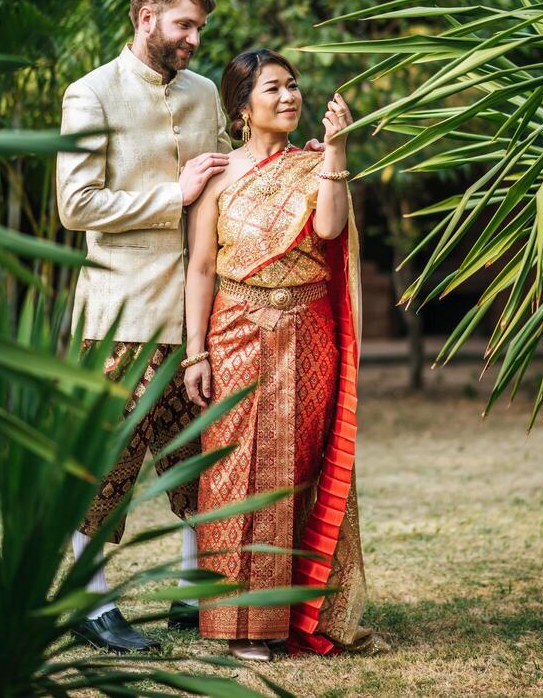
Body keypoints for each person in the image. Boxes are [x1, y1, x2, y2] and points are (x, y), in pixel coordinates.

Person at [56, 0, 232, 653]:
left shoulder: (207, 93)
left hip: (196, 320)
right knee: (107, 467)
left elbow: (226, 179)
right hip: (117, 320)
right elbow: (76, 205)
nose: (194, 40)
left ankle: (192, 598)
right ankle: (91, 605)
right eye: (185, 25)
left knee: (197, 457)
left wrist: (284, 164)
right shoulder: (91, 94)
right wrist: (175, 195)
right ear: (145, 16)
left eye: (200, 28)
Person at [184, 49, 369, 662]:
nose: (289, 97)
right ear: (243, 106)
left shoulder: (312, 166)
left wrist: (337, 152)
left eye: (294, 87)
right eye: (274, 88)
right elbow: (202, 268)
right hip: (235, 330)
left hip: (308, 331)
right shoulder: (215, 175)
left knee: (295, 469)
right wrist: (194, 355)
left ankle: (291, 616)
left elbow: (329, 233)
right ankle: (238, 625)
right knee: (234, 472)